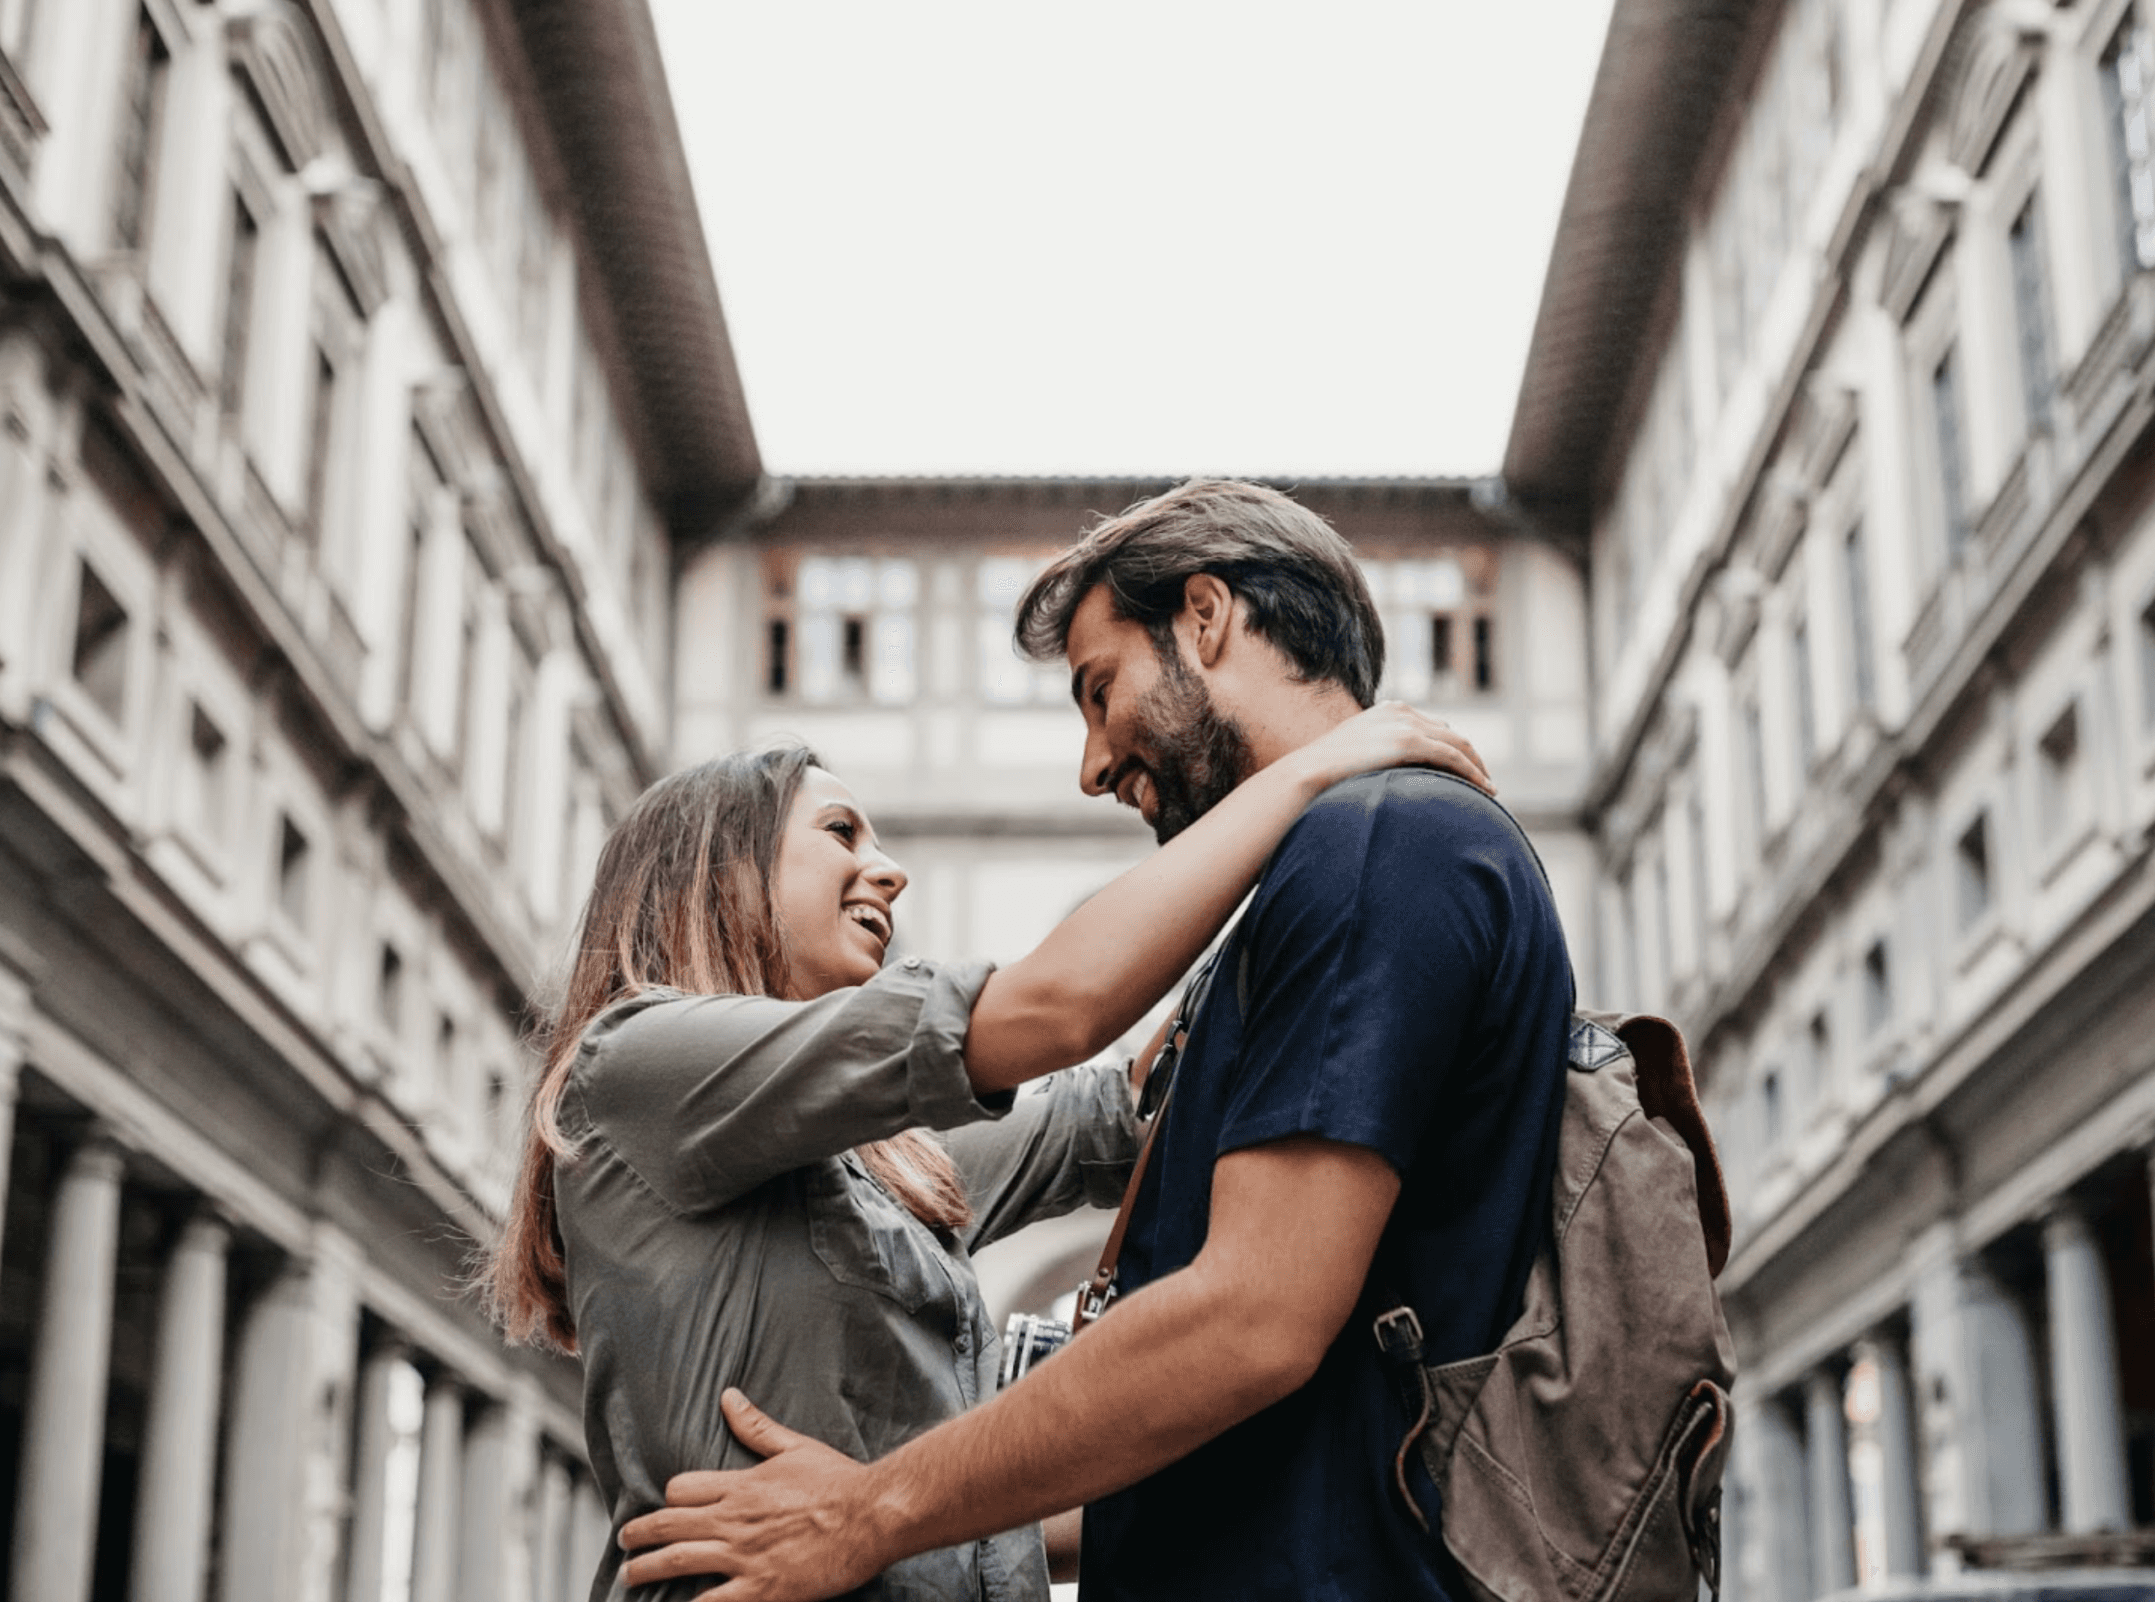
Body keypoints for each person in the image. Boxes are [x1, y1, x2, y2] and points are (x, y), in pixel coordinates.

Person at [619, 479, 1579, 1602]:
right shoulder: (655, 1072)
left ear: (1206, 618)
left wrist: (871, 1510)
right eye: (838, 832)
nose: (1088, 766)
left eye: (1097, 688)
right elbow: (1072, 1054)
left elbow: (1247, 1312)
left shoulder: (1368, 847)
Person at [479, 699, 1490, 1602]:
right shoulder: (634, 1065)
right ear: (718, 871)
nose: (889, 867)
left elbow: (1119, 1113)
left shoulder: (881, 1165)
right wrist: (1304, 776)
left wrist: (1329, 894)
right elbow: (1054, 1009)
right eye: (839, 832)